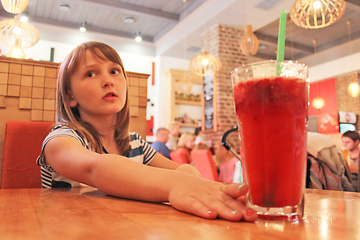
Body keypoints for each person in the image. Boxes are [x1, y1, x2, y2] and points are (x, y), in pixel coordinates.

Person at [36, 41, 257, 222]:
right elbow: (97, 168)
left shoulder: (135, 143)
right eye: (91, 74)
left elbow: (181, 171)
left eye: (114, 71)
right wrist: (175, 185)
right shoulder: (61, 139)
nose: (107, 81)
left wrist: (190, 179)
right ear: (70, 96)